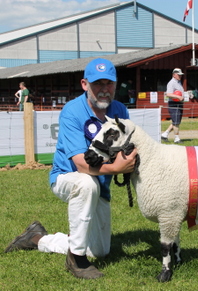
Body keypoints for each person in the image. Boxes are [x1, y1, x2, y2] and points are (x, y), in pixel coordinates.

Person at [4, 58, 137, 280]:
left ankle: (36, 238)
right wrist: (117, 168)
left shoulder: (120, 109)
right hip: (67, 178)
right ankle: (76, 259)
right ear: (85, 84)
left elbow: (126, 148)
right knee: (86, 183)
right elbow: (82, 166)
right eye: (98, 84)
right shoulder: (72, 111)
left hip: (100, 185)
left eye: (109, 83)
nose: (104, 90)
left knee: (100, 251)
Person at [161, 68, 184, 143]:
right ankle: (177, 138)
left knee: (176, 121)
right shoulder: (171, 83)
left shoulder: (178, 82)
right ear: (174, 75)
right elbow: (168, 94)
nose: (180, 76)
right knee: (176, 122)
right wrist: (178, 97)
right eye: (178, 75)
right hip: (173, 104)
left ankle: (165, 134)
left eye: (181, 75)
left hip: (179, 103)